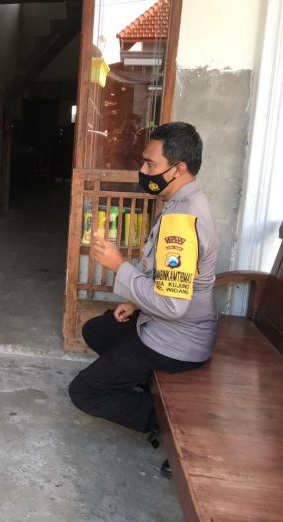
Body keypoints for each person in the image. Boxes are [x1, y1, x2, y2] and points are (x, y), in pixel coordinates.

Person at [68, 122, 219, 439]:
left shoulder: (182, 220)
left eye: (151, 164)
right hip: (164, 322)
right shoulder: (182, 201)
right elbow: (167, 281)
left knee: (84, 392)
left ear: (179, 168)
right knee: (97, 330)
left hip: (176, 339)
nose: (143, 170)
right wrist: (136, 303)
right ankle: (139, 377)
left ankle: (168, 423)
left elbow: (172, 305)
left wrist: (118, 265)